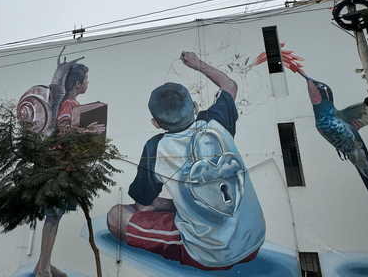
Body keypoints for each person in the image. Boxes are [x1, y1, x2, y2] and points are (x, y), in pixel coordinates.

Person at [107, 51, 265, 270]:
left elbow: (144, 207)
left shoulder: (156, 148)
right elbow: (230, 85)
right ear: (195, 108)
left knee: (117, 216)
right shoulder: (217, 121)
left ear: (155, 123)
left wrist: (168, 204)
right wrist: (197, 64)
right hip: (254, 239)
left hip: (209, 255)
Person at [34, 63, 104, 277]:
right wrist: (88, 130)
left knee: (55, 218)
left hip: (66, 167)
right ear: (77, 83)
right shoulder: (68, 104)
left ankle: (42, 265)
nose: (88, 83)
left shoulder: (71, 103)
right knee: (52, 218)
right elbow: (64, 133)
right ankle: (44, 269)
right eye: (86, 79)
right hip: (60, 169)